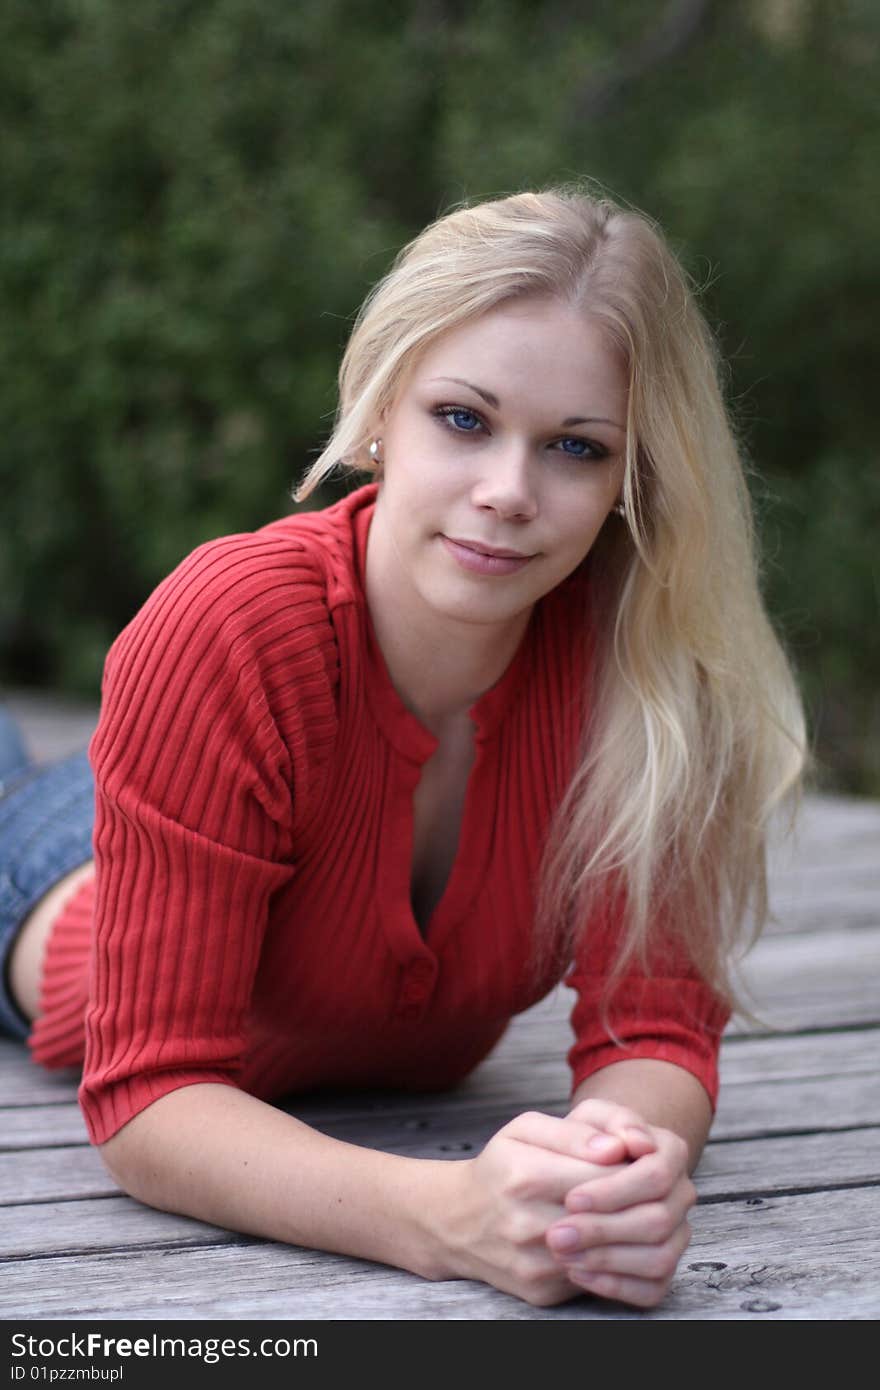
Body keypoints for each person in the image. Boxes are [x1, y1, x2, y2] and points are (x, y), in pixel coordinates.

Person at [0, 185, 806, 1311]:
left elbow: (654, 1026)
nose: (506, 493)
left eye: (575, 447)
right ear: (381, 404)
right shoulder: (230, 627)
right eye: (463, 419)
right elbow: (149, 1097)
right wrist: (450, 1220)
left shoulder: (654, 676)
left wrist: (610, 1170)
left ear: (633, 479)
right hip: (43, 880)